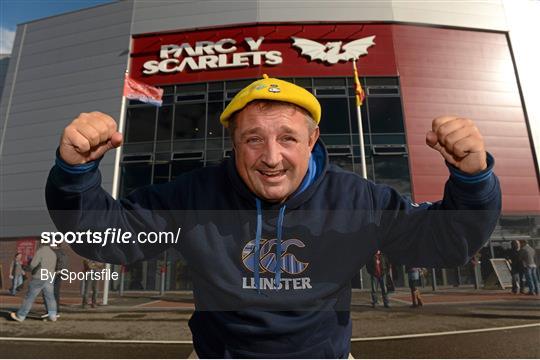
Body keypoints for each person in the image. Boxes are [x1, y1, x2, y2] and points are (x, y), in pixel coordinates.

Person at [45, 75, 501, 358]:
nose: (271, 157)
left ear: (312, 139)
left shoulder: (357, 199)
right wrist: (76, 174)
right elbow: (106, 236)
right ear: (233, 143)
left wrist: (473, 179)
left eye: (287, 137)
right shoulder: (195, 194)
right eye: (253, 139)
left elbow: (446, 243)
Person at [10, 244, 57, 322]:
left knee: (30, 297)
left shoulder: (40, 252)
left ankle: (21, 315)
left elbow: (32, 265)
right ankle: (53, 316)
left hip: (39, 277)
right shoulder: (53, 253)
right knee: (50, 297)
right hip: (50, 277)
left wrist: (30, 265)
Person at [42, 244, 68, 317]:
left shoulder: (55, 253)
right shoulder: (62, 253)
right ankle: (55, 311)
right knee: (55, 293)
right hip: (56, 274)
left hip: (53, 274)